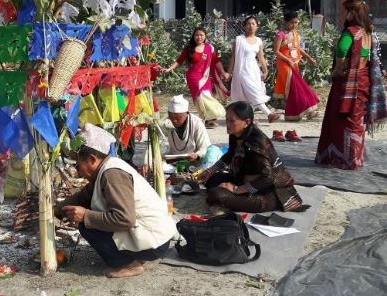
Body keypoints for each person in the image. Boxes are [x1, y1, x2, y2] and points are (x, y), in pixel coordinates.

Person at [57, 124, 176, 278]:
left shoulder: (112, 175)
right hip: (153, 236)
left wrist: (86, 216)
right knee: (89, 219)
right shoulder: (104, 168)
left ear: (92, 159)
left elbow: (124, 218)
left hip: (155, 241)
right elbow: (84, 196)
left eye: (78, 164)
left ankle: (129, 264)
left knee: (87, 227)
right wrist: (57, 209)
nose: (77, 170)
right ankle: (134, 255)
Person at [316, 0, 386, 170]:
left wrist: (338, 68)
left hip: (347, 81)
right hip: (364, 80)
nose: (343, 14)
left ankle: (343, 158)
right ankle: (356, 158)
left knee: (341, 118)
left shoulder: (351, 32)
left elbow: (342, 49)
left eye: (345, 11)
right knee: (357, 118)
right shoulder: (369, 32)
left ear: (353, 13)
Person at [198, 101, 303, 213]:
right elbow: (230, 154)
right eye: (226, 119)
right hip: (242, 180)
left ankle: (230, 201)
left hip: (266, 194)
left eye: (231, 120)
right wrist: (209, 171)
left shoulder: (256, 144)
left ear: (246, 122)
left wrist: (237, 189)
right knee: (213, 179)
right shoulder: (236, 134)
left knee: (217, 194)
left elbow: (268, 178)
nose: (227, 124)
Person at [162, 27, 228, 128]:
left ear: (205, 36)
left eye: (201, 35)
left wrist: (223, 72)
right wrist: (169, 69)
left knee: (208, 96)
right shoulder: (189, 48)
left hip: (205, 77)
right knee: (201, 97)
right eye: (197, 35)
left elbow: (216, 62)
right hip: (193, 77)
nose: (199, 37)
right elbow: (179, 61)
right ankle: (209, 117)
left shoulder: (209, 48)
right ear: (193, 36)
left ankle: (209, 119)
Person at [228, 16, 280, 123]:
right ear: (244, 26)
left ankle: (248, 118)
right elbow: (233, 57)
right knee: (253, 92)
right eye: (248, 24)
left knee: (250, 94)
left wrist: (265, 70)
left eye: (253, 24)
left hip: (254, 70)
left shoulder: (259, 41)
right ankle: (269, 114)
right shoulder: (239, 39)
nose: (250, 26)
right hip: (242, 70)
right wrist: (229, 72)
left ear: (257, 26)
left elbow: (261, 57)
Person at [272, 11, 320, 121]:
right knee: (296, 86)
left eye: (296, 22)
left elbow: (298, 48)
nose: (294, 25)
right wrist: (288, 60)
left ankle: (299, 112)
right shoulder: (281, 34)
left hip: (294, 63)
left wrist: (308, 57)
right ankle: (307, 111)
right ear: (286, 22)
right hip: (284, 64)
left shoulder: (296, 34)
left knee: (297, 88)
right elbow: (276, 52)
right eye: (292, 23)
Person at [162, 95, 211, 162]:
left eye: (178, 117)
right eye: (171, 116)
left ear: (187, 113)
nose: (174, 120)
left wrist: (197, 155)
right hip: (172, 162)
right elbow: (157, 144)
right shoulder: (166, 123)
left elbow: (205, 147)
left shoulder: (196, 123)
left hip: (194, 163)